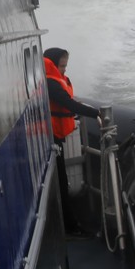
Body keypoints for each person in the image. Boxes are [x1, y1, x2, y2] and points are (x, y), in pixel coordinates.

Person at [43, 47, 100, 235]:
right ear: (52, 64)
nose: (64, 70)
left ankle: (69, 224)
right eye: (62, 66)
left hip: (54, 137)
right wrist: (96, 113)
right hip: (50, 139)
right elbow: (69, 104)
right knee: (60, 182)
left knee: (62, 180)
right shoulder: (50, 84)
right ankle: (70, 227)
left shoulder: (51, 80)